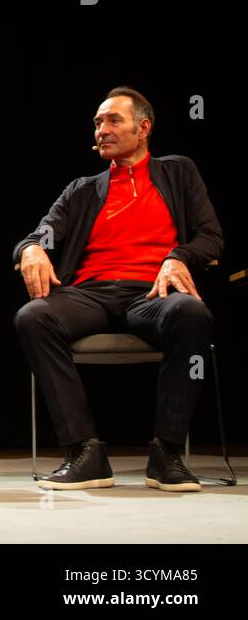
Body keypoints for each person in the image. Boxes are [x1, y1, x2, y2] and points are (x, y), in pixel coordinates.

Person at [13, 86, 222, 491]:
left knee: (192, 312)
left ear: (143, 128)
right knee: (33, 317)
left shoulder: (178, 172)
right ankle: (84, 451)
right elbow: (40, 233)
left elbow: (211, 237)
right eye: (97, 123)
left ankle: (167, 454)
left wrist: (177, 257)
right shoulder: (82, 189)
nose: (101, 130)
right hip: (90, 294)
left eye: (113, 120)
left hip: (151, 293)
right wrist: (32, 248)